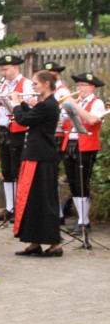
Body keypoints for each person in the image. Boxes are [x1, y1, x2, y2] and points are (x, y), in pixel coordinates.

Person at [9, 70, 63, 257]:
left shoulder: (48, 104)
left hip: (41, 158)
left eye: (36, 84)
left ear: (47, 84)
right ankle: (34, 242)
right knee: (33, 201)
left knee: (43, 200)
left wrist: (16, 103)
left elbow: (24, 120)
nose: (33, 87)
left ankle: (55, 244)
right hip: (35, 156)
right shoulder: (44, 105)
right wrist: (23, 104)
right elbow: (33, 117)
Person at [60, 73, 106, 235]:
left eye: (83, 86)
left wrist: (75, 106)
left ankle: (84, 221)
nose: (79, 89)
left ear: (92, 87)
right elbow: (63, 122)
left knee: (81, 182)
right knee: (73, 183)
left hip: (86, 146)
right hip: (70, 144)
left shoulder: (97, 103)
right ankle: (81, 219)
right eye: (78, 86)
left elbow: (92, 120)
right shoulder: (78, 101)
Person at [0, 55, 29, 224]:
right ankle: (9, 208)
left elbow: (26, 107)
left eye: (6, 69)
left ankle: (19, 207)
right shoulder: (3, 84)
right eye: (2, 69)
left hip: (18, 129)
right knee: (6, 170)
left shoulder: (26, 84)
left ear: (16, 68)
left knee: (17, 169)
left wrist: (10, 101)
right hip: (4, 129)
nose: (4, 72)